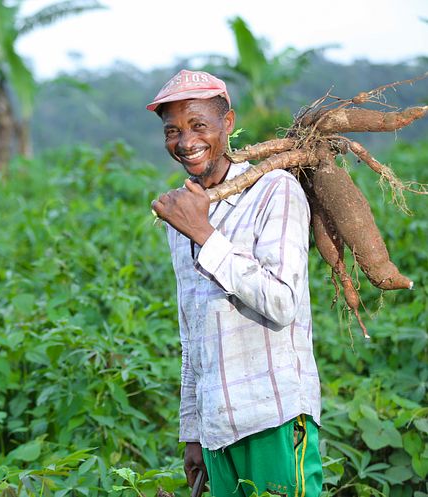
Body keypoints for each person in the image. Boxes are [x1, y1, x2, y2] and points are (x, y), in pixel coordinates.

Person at [147, 70, 323, 497]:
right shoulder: (180, 211)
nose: (185, 142)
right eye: (173, 131)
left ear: (227, 124)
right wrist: (194, 431)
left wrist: (204, 234)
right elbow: (192, 332)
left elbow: (283, 302)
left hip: (273, 416)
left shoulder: (274, 190)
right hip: (216, 429)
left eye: (198, 126)